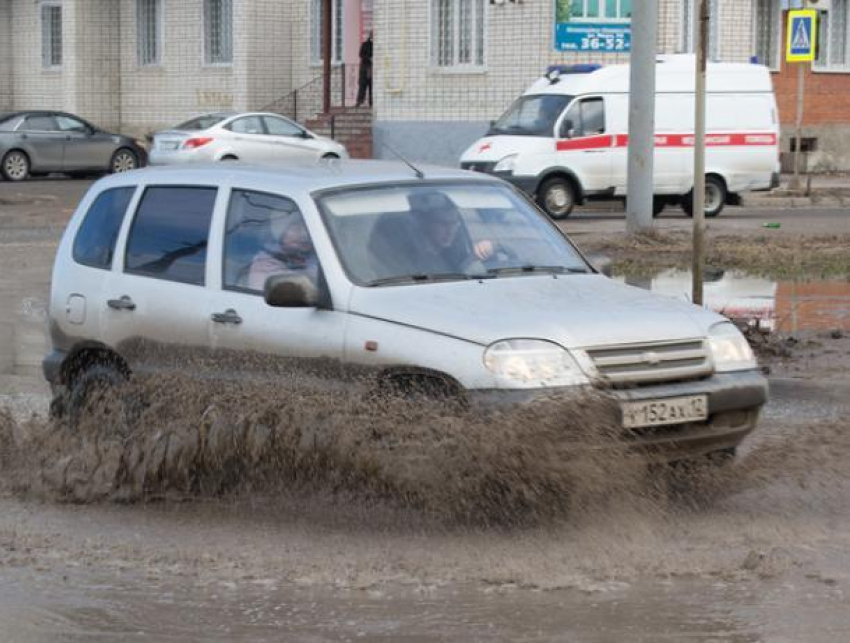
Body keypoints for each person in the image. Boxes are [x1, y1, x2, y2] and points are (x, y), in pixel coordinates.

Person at [408, 191, 494, 273]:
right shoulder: (414, 256)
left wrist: (488, 247)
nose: (450, 231)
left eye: (454, 223)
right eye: (443, 224)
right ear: (427, 224)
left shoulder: (456, 251)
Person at [247, 214, 318, 292]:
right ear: (280, 234)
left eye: (306, 228)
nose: (304, 235)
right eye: (297, 229)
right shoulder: (264, 264)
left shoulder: (315, 255)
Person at [355, 32, 373, 108]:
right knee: (362, 85)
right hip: (365, 68)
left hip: (373, 68)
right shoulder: (365, 44)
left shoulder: (378, 45)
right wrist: (369, 58)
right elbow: (361, 54)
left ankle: (372, 102)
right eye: (372, 35)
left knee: (372, 86)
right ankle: (359, 101)